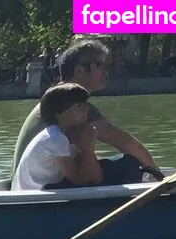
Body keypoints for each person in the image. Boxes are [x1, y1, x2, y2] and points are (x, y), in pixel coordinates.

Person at [11, 39, 160, 185]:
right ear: (79, 70)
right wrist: (158, 175)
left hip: (29, 182)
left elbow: (81, 155)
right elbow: (128, 144)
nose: (106, 71)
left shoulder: (55, 100)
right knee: (129, 164)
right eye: (101, 66)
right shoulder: (71, 107)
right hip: (44, 187)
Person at [13, 83, 102, 190]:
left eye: (85, 105)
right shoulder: (55, 139)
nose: (86, 109)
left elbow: (96, 178)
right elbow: (82, 181)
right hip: (34, 195)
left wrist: (87, 150)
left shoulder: (68, 135)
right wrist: (88, 148)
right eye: (79, 106)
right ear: (60, 113)